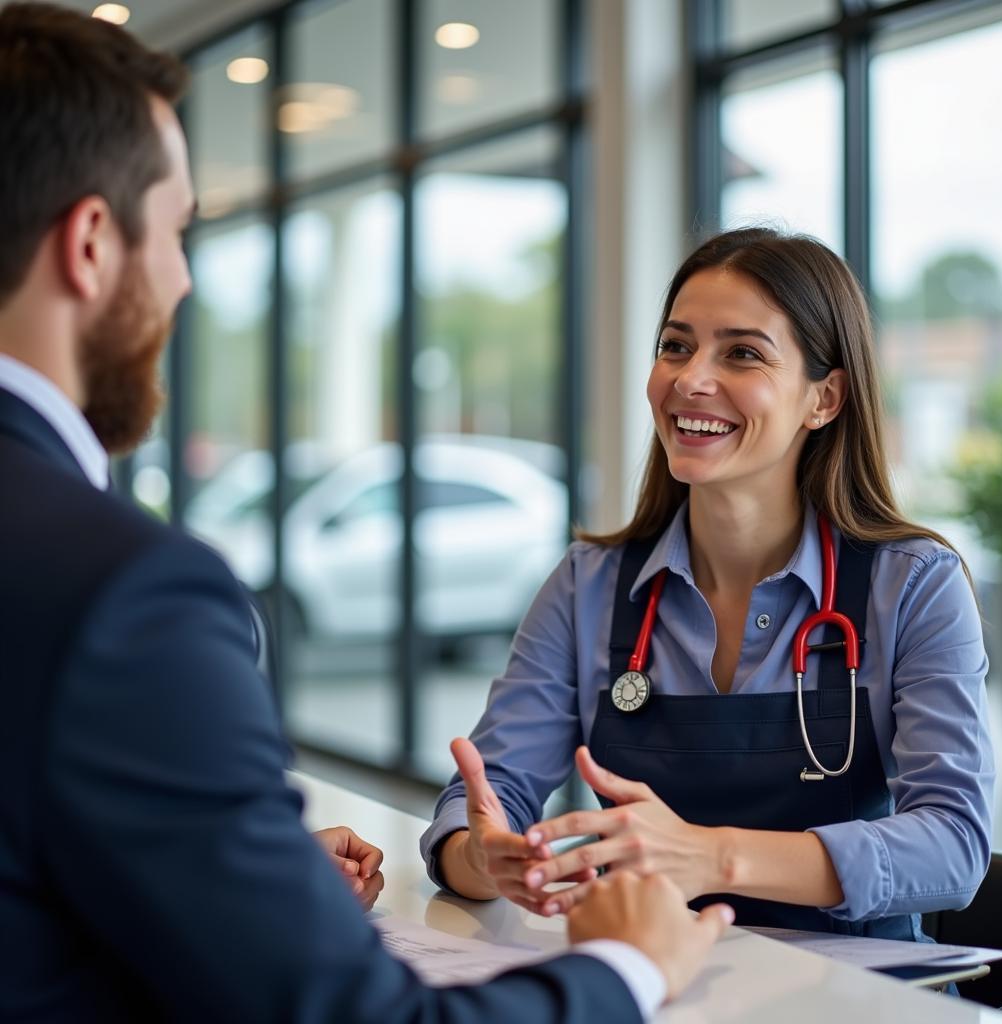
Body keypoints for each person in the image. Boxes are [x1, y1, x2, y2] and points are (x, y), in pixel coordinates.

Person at [0, 3, 732, 1021]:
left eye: (742, 352)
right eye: (175, 230)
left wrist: (223, 861)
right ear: (90, 242)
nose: (184, 277)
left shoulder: (908, 581)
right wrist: (627, 968)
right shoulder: (123, 590)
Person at [423, 226, 996, 942]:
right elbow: (489, 794)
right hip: (645, 978)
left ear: (825, 399)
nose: (691, 379)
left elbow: (953, 846)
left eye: (743, 353)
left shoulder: (913, 587)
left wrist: (710, 855)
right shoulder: (586, 586)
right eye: (675, 345)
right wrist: (483, 857)